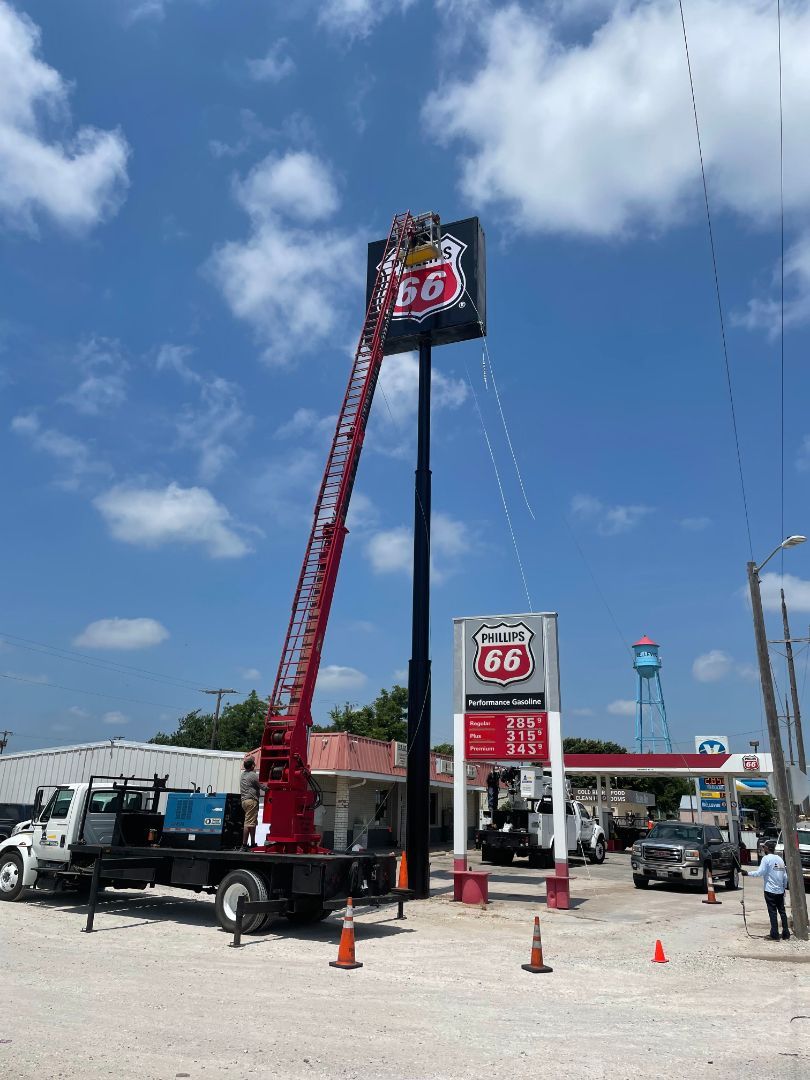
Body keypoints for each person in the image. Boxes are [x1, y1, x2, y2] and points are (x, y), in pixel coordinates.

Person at [742, 838, 790, 940]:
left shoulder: (766, 859)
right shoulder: (780, 859)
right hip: (780, 890)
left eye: (764, 847)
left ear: (767, 848)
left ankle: (774, 934)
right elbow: (785, 876)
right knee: (782, 911)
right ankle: (786, 933)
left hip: (770, 890)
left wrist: (747, 873)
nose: (763, 849)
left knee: (772, 912)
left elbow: (760, 872)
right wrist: (784, 887)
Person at [239, 757, 268, 851]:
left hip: (244, 801)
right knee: (248, 823)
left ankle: (252, 843)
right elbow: (262, 787)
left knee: (252, 823)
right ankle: (244, 845)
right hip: (251, 801)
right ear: (252, 766)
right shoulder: (253, 775)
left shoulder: (243, 775)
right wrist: (270, 788)